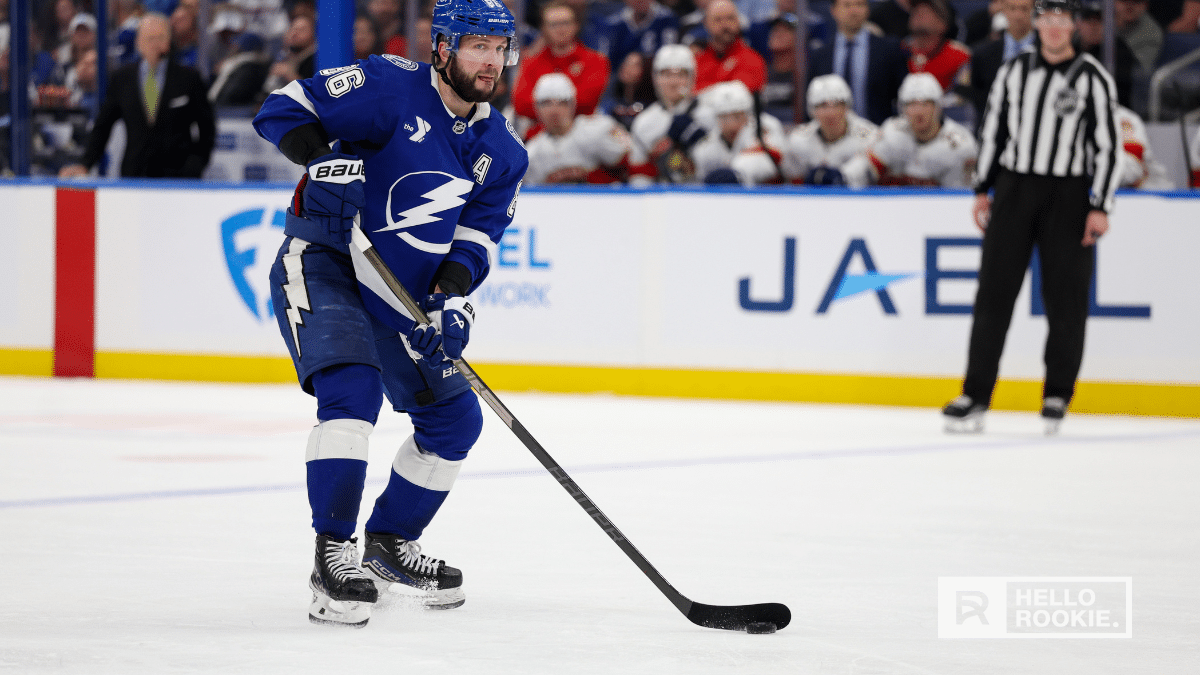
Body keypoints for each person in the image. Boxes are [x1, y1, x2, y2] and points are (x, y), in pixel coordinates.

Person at [251, 0, 527, 628]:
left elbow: (475, 240)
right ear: (444, 48)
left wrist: (451, 300)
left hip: (400, 295)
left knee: (454, 420)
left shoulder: (503, 150)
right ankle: (333, 556)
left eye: (499, 48)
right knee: (352, 396)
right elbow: (283, 108)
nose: (491, 61)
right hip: (326, 263)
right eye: (477, 47)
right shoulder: (388, 85)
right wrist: (320, 159)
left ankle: (389, 543)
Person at [943, 0, 1121, 435]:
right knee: (993, 294)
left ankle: (1057, 393)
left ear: (1073, 25)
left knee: (1066, 298)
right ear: (1036, 23)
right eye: (1048, 19)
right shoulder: (1014, 70)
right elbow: (994, 131)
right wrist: (982, 188)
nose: (1055, 27)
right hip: (1015, 189)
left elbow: (1108, 146)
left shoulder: (1093, 77)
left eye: (1063, 20)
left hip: (1069, 194)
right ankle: (975, 393)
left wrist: (1100, 205)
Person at [59, 13, 215, 178]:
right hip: (135, 174)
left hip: (179, 178)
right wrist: (85, 164)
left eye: (160, 38)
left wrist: (196, 165)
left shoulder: (189, 79)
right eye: (150, 38)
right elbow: (103, 126)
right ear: (138, 43)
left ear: (168, 42)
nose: (155, 44)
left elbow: (207, 128)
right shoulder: (123, 79)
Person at [843, 72, 976, 187]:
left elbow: (960, 198)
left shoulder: (961, 145)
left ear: (937, 107)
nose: (918, 111)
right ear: (902, 109)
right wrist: (843, 176)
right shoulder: (893, 130)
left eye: (925, 104)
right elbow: (864, 169)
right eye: (911, 104)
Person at [511, 1, 611, 127]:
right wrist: (564, 105)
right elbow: (520, 104)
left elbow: (587, 102)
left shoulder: (596, 60)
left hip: (582, 129)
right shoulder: (531, 62)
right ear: (543, 29)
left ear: (576, 25)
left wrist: (544, 105)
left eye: (565, 23)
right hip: (540, 131)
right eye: (553, 24)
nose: (560, 29)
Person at [809, 0, 909, 125]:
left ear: (868, 9)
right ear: (833, 11)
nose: (854, 11)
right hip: (831, 133)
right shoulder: (820, 55)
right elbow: (811, 100)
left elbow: (903, 95)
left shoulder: (889, 49)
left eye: (859, 4)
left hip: (879, 131)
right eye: (847, 5)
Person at [628, 44, 717, 183]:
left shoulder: (710, 114)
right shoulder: (644, 121)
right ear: (655, 78)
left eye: (681, 75)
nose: (674, 82)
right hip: (661, 192)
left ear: (692, 77)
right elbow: (639, 174)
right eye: (666, 75)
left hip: (702, 190)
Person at [525, 73, 632, 184]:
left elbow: (630, 162)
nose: (554, 110)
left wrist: (594, 177)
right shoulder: (532, 151)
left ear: (572, 104)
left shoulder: (600, 128)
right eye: (546, 104)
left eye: (562, 102)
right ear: (536, 108)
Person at [782, 74, 877, 185]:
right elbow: (792, 182)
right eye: (823, 105)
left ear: (847, 107)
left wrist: (843, 176)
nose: (830, 112)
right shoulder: (798, 139)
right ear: (812, 110)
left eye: (837, 105)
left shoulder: (869, 136)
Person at [691, 79, 785, 184]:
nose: (731, 125)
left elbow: (770, 162)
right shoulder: (707, 146)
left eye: (737, 116)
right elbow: (696, 179)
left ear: (747, 114)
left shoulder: (765, 126)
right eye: (724, 117)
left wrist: (738, 174)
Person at [969, 0, 1035, 115]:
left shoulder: (1050, 52)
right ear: (1003, 10)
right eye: (1012, 8)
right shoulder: (982, 54)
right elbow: (978, 96)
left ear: (1034, 10)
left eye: (1024, 9)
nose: (1018, 15)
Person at [693, 0, 767, 93]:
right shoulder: (697, 62)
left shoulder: (752, 60)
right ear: (706, 23)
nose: (725, 25)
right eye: (718, 19)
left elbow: (740, 94)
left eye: (730, 18)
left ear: (738, 21)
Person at [904, 0, 970, 91]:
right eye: (915, 9)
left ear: (943, 23)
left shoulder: (960, 56)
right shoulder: (898, 50)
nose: (918, 13)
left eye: (926, 11)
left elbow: (962, 94)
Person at [601, 0, 681, 72]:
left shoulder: (667, 18)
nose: (640, 1)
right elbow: (608, 61)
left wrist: (642, 61)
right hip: (621, 77)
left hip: (657, 74)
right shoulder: (614, 23)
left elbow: (670, 55)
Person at [1115, 104, 1172, 189]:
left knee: (1166, 187)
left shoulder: (1128, 118)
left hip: (1135, 184)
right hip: (1102, 182)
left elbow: (1146, 158)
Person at [261, 13, 316, 95]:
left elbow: (315, 93)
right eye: (293, 29)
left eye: (301, 30)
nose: (294, 33)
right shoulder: (284, 55)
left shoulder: (315, 59)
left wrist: (291, 76)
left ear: (314, 34)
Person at [1114, 0, 1162, 74]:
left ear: (1146, 4)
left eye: (1136, 1)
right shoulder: (1100, 20)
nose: (1129, 6)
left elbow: (1141, 72)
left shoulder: (1151, 33)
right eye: (1124, 1)